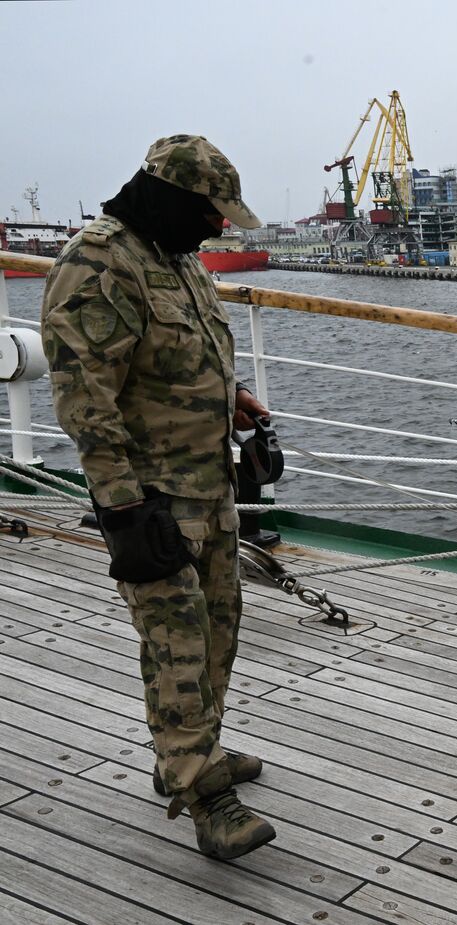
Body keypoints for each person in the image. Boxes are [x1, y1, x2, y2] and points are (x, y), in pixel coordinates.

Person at [40, 135, 276, 860]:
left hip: (209, 490)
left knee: (218, 633)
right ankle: (204, 792)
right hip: (151, 500)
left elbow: (180, 356)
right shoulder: (100, 264)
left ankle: (190, 749)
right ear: (172, 198)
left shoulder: (176, 260)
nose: (218, 226)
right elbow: (86, 397)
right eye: (210, 212)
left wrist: (232, 401)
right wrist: (121, 506)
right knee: (174, 644)